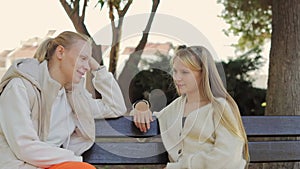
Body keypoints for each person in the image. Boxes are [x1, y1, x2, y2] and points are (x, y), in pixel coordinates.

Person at [0, 31, 127, 169]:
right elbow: (24, 147)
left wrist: (98, 69)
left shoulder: (74, 97)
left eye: (88, 61)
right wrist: (74, 160)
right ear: (60, 52)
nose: (87, 67)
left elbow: (116, 107)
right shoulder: (20, 87)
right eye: (83, 58)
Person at [132, 46, 249, 169]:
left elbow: (228, 158)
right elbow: (148, 122)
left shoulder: (220, 107)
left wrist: (181, 166)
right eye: (175, 71)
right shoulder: (177, 107)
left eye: (185, 72)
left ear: (203, 74)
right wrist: (141, 106)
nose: (177, 78)